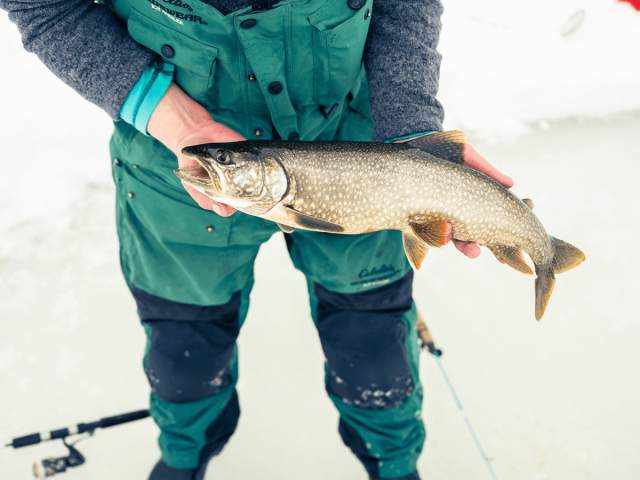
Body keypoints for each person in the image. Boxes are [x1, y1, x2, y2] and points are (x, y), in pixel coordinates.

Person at [0, 0, 512, 478]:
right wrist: (176, 120)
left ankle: (392, 460)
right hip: (173, 161)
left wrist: (412, 136)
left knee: (374, 349)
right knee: (184, 357)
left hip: (364, 159)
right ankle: (184, 456)